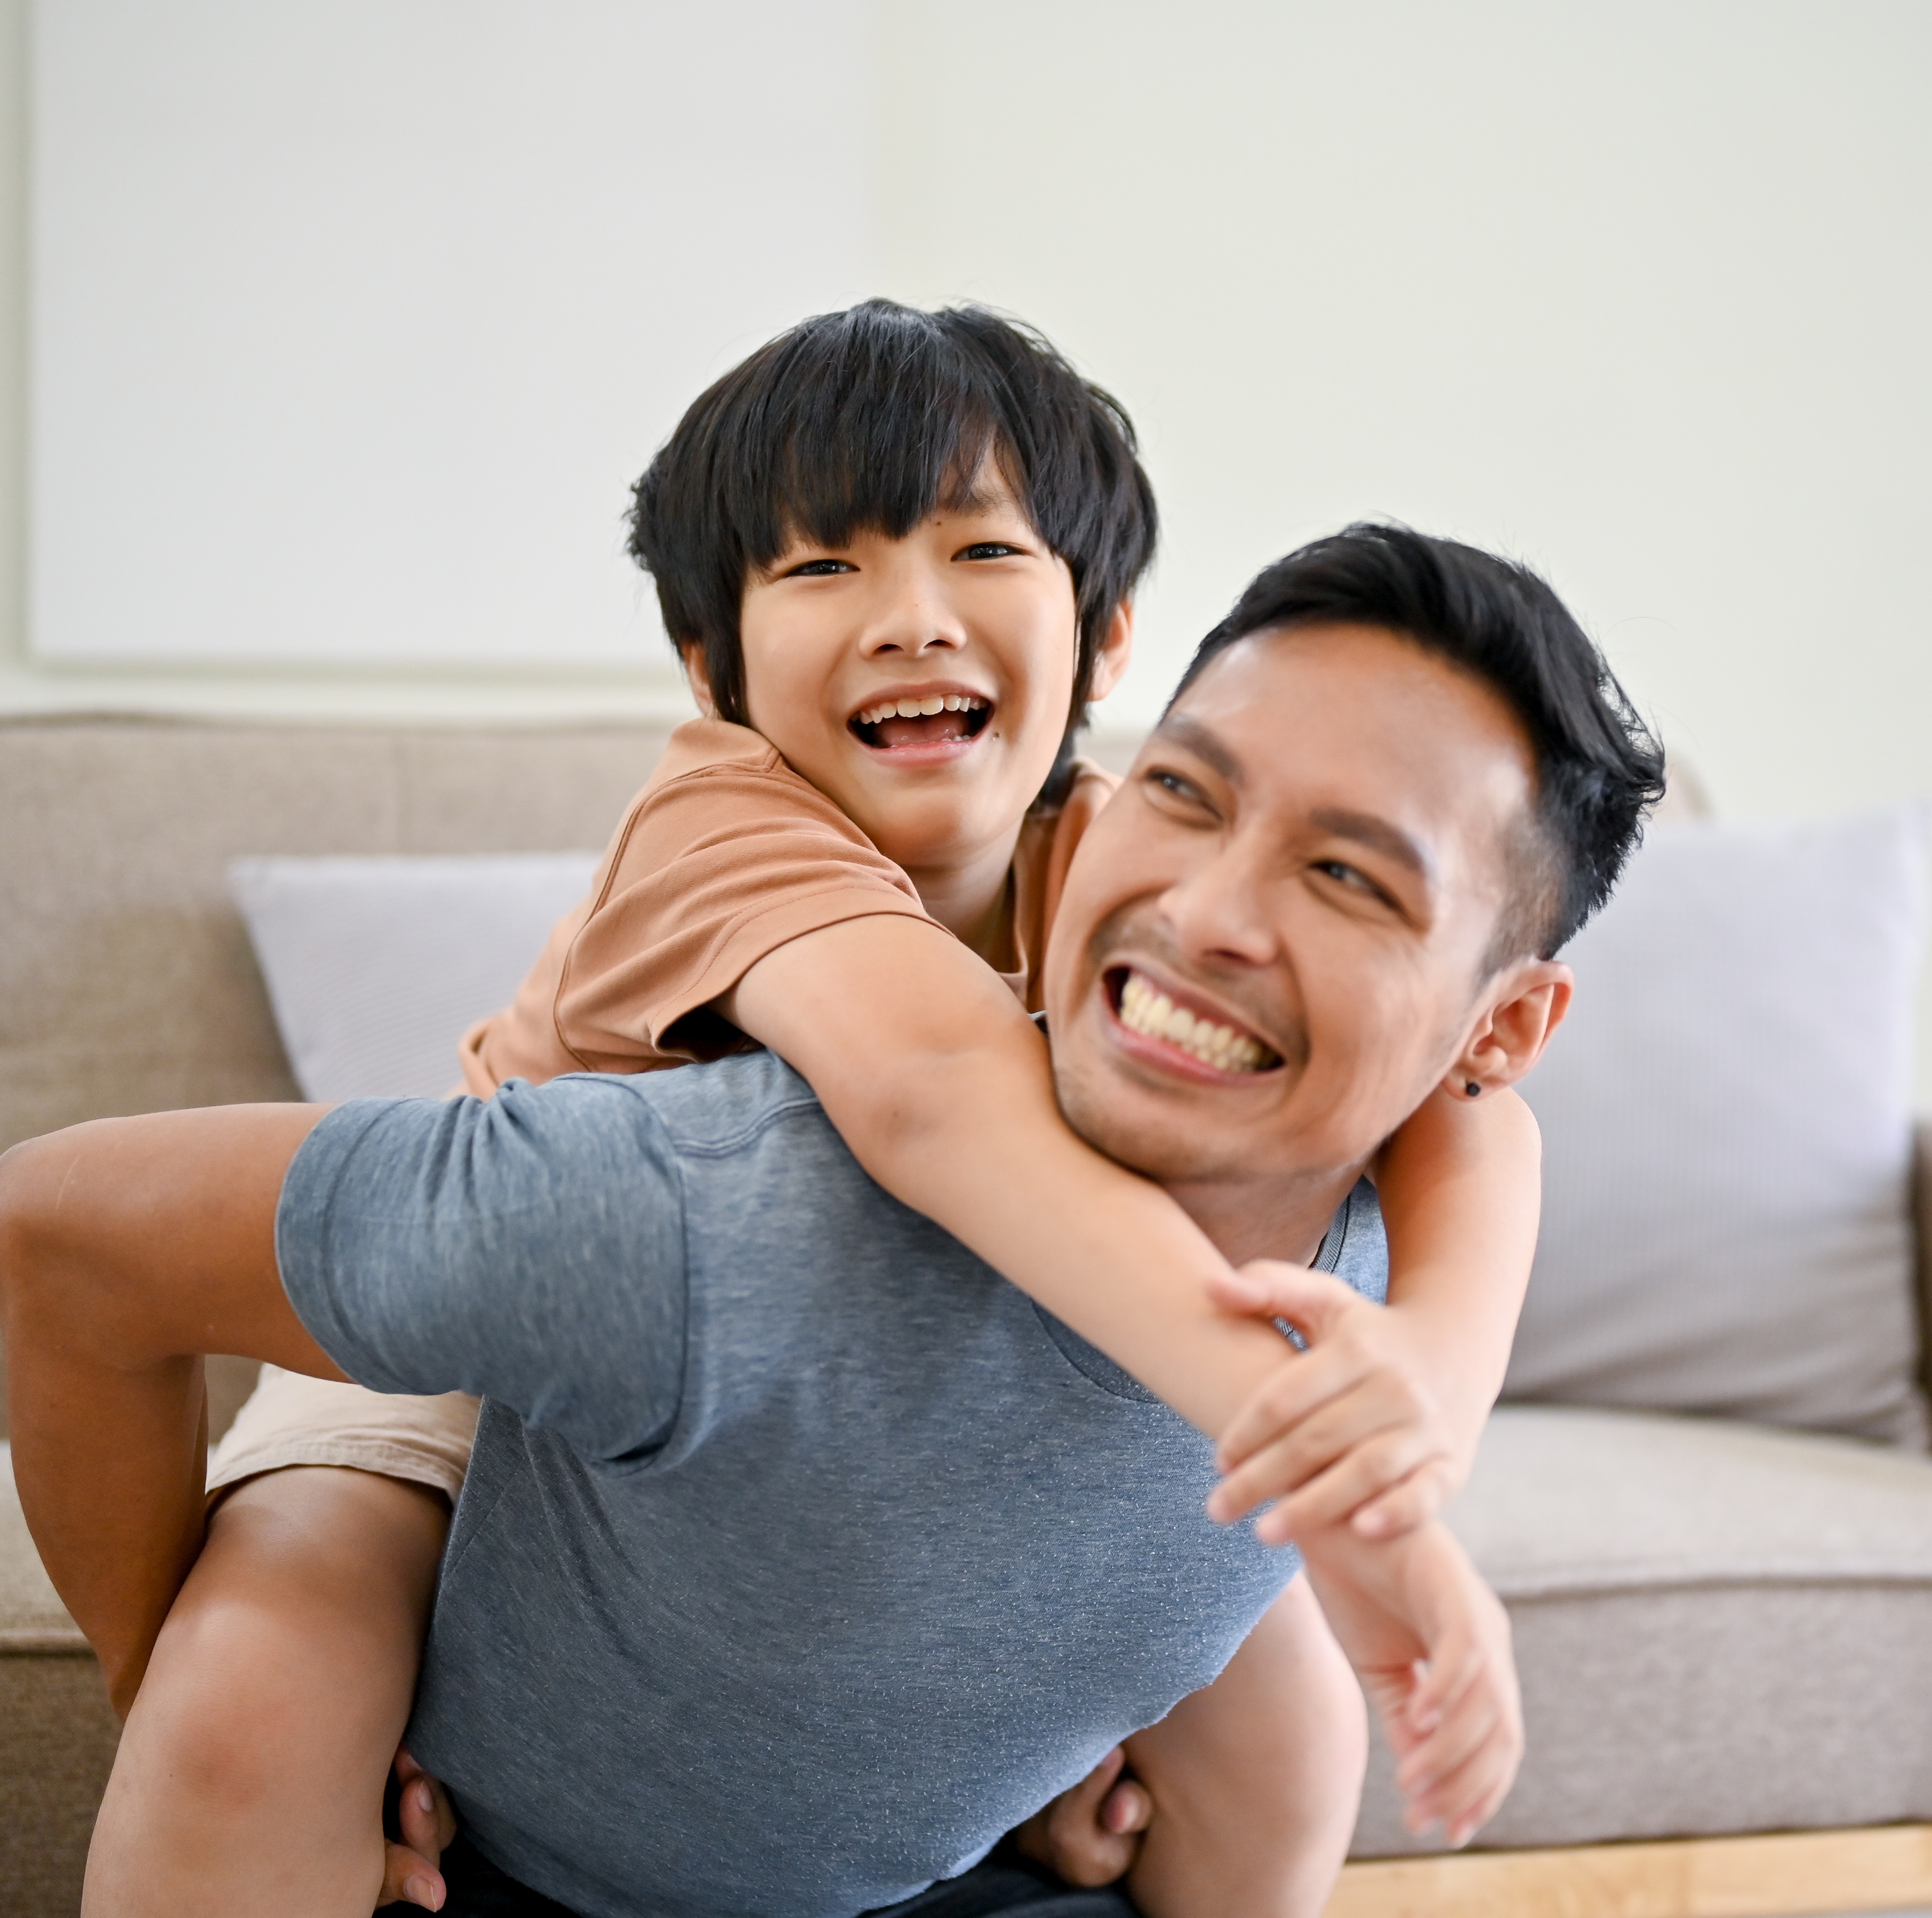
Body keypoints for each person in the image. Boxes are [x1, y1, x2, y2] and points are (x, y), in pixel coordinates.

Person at [77, 306, 1551, 1918]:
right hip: (493, 1360)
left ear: (1109, 631)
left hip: (875, 1398)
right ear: (712, 668)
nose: (912, 618)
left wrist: (1428, 1387)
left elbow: (1458, 1097)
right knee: (257, 1687)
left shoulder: (1121, 853)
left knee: (1294, 1728)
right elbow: (933, 1094)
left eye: (982, 548)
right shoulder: (724, 819)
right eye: (821, 569)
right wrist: (1337, 1482)